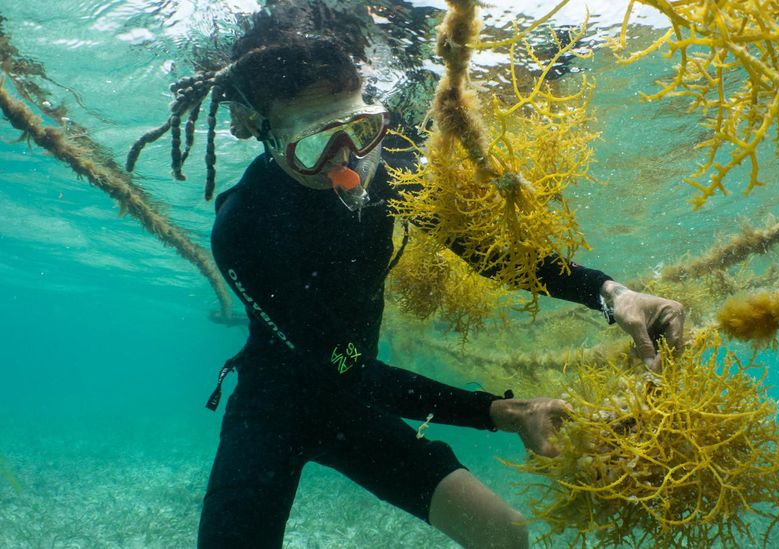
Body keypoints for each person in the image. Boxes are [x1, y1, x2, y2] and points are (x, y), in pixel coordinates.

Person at [131, 3, 683, 548]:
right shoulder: (243, 229)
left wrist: (612, 293)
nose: (344, 162)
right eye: (314, 144)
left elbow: (484, 252)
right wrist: (501, 412)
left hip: (356, 400)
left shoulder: (386, 167)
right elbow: (347, 368)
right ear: (261, 132)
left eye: (361, 129)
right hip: (274, 410)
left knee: (505, 534)